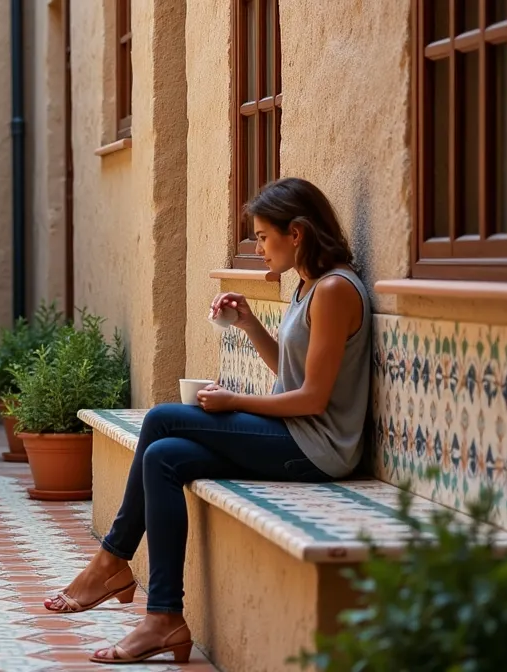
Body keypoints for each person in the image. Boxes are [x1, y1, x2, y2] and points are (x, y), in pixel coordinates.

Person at [45, 177, 373, 665]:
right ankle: (164, 618)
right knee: (162, 457)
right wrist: (250, 324)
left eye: (263, 236)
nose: (258, 247)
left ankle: (113, 560)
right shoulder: (308, 286)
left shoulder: (334, 290)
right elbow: (295, 370)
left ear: (297, 232)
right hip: (295, 437)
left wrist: (235, 403)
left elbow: (311, 398)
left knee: (162, 419)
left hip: (318, 449)